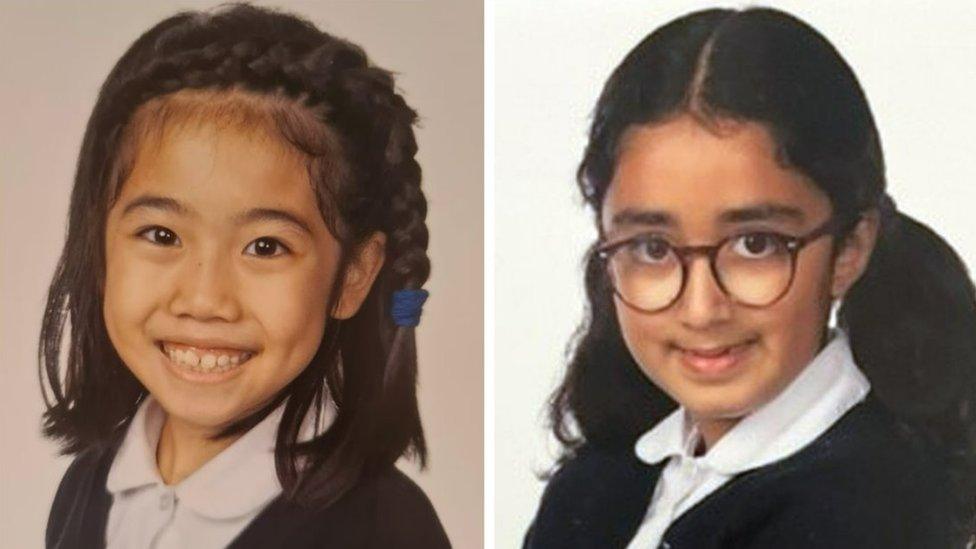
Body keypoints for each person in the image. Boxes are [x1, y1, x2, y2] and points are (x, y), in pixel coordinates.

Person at [524, 7, 976, 549]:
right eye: (652, 248)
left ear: (849, 248)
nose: (700, 307)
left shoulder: (865, 516)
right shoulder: (597, 483)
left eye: (754, 245)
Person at [38, 3, 450, 547]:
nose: (205, 299)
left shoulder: (386, 528)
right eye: (162, 235)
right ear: (99, 244)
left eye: (265, 247)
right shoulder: (85, 488)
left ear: (352, 275)